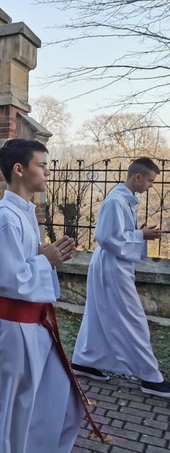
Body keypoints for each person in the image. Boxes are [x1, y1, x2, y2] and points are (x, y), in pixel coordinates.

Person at [0, 138, 106, 452]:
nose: (47, 172)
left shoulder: (25, 213)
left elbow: (24, 262)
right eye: (42, 165)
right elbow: (5, 278)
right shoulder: (4, 218)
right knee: (8, 415)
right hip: (12, 330)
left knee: (53, 403)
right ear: (19, 170)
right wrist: (45, 259)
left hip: (35, 328)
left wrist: (50, 256)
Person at [72, 157, 170, 397]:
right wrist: (140, 235)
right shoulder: (116, 201)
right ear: (137, 177)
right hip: (111, 267)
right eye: (150, 181)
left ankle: (84, 361)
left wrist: (138, 233)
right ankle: (150, 377)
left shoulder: (126, 201)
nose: (150, 186)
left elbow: (118, 234)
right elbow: (105, 237)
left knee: (97, 314)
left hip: (113, 266)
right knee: (132, 318)